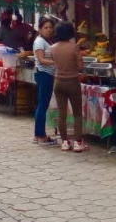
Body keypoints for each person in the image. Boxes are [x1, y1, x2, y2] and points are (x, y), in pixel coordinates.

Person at [51, 21, 87, 153]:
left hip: (58, 82)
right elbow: (80, 67)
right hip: (72, 82)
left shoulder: (53, 47)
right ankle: (78, 142)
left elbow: (55, 63)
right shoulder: (74, 47)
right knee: (77, 113)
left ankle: (65, 142)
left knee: (62, 113)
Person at [33, 18, 58, 146]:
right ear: (40, 29)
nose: (48, 30)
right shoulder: (39, 42)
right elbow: (41, 60)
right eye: (45, 28)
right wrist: (57, 62)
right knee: (43, 105)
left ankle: (38, 135)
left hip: (47, 74)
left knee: (42, 105)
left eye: (50, 27)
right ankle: (41, 136)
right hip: (43, 74)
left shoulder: (47, 41)